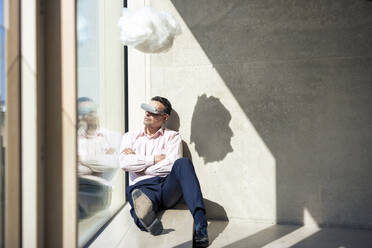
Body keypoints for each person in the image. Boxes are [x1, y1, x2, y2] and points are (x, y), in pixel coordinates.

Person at [120, 96, 209, 247]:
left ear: (164, 117)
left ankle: (201, 224)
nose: (147, 114)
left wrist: (139, 164)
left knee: (183, 163)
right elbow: (124, 163)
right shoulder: (130, 137)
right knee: (139, 202)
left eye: (152, 111)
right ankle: (148, 221)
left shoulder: (173, 137)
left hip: (167, 187)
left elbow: (171, 165)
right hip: (143, 189)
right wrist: (153, 159)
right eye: (146, 109)